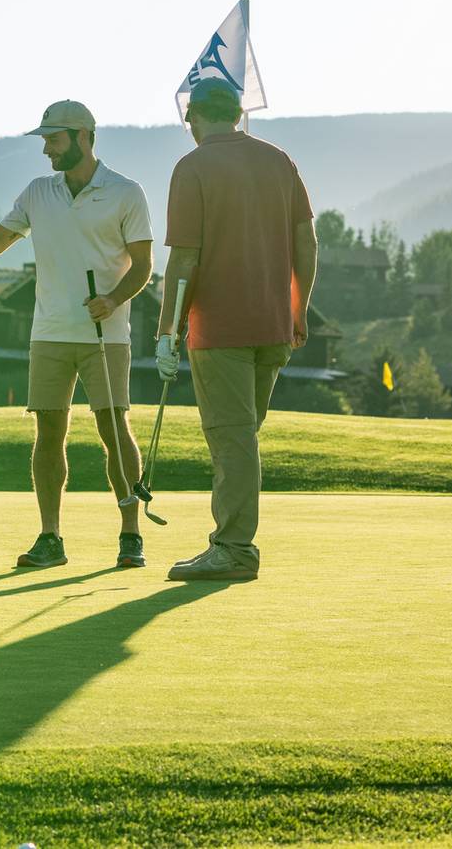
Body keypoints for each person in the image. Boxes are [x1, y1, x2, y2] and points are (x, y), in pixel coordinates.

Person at [0, 100, 154, 570]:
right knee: (48, 433)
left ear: (82, 136)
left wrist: (114, 299)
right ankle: (50, 537)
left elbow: (143, 266)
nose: (46, 151)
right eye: (44, 141)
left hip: (106, 334)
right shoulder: (39, 192)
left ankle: (130, 533)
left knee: (113, 429)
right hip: (50, 333)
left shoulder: (125, 192)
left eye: (53, 140)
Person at [154, 79, 317, 582]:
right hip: (273, 325)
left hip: (220, 327)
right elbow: (306, 244)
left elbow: (184, 257)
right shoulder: (279, 160)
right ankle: (233, 541)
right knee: (242, 438)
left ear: (194, 119)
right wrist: (298, 311)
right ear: (238, 113)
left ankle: (233, 548)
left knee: (232, 440)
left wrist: (166, 331)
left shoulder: (193, 166)